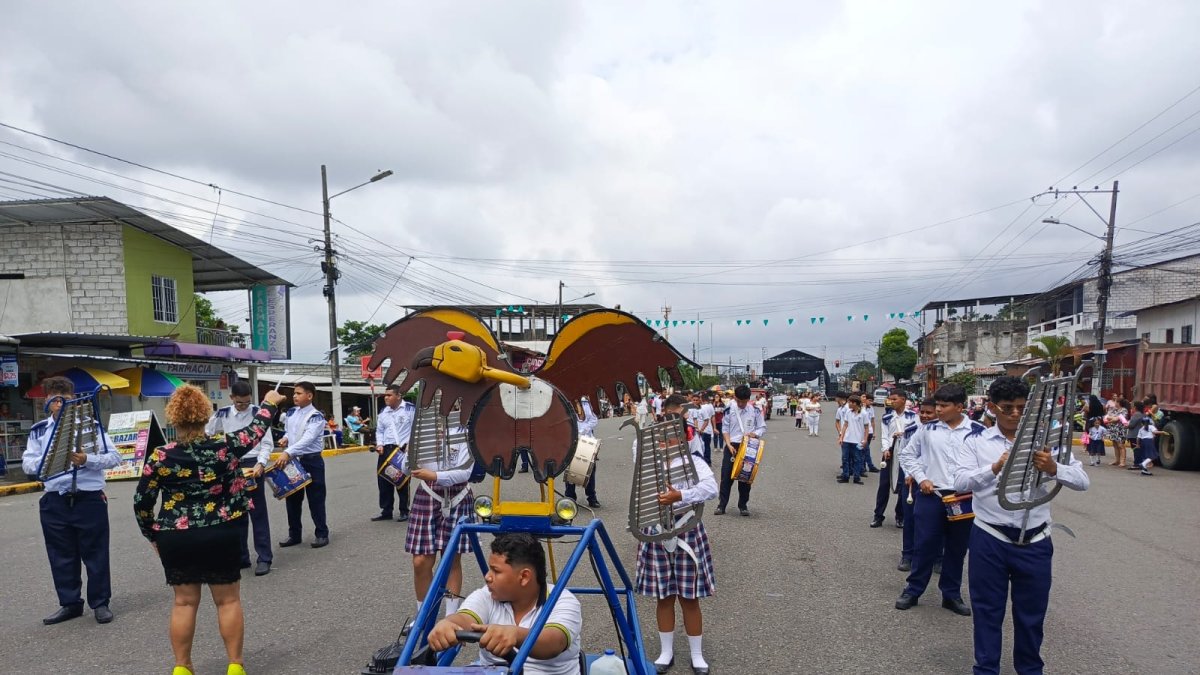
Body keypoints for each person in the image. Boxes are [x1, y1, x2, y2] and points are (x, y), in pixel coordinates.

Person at [135, 385, 284, 675]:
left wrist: (152, 534)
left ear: (173, 418)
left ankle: (182, 667)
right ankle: (235, 666)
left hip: (176, 535)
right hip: (222, 530)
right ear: (206, 416)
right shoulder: (225, 446)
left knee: (184, 603)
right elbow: (256, 429)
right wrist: (268, 402)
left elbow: (142, 502)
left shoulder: (160, 456)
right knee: (227, 600)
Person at [951, 376, 1089, 675]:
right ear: (991, 408)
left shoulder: (1048, 441)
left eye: (1021, 408)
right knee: (988, 612)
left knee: (1031, 615)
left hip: (1035, 540)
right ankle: (986, 669)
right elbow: (959, 482)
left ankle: (1029, 669)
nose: (1015, 414)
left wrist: (1055, 468)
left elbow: (1082, 481)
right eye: (1007, 408)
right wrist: (994, 468)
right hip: (990, 537)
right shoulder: (976, 441)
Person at [21, 376, 122, 625]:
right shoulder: (39, 431)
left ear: (73, 399)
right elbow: (28, 463)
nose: (59, 404)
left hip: (88, 498)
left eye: (64, 399)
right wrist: (51, 460)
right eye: (54, 399)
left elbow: (114, 457)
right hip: (55, 499)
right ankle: (70, 603)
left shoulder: (90, 427)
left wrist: (87, 460)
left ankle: (100, 603)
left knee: (95, 553)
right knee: (61, 554)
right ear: (46, 401)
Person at [634, 394, 717, 675]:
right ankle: (665, 651)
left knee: (690, 597)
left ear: (682, 438)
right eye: (662, 438)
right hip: (656, 531)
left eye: (671, 438)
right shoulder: (648, 462)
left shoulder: (695, 461)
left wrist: (681, 495)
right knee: (663, 596)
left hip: (686, 529)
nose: (665, 443)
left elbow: (711, 488)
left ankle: (697, 654)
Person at [427, 533, 581, 674]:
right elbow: (464, 618)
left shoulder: (562, 601)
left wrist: (515, 634)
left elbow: (554, 643)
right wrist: (448, 624)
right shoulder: (487, 595)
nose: (487, 577)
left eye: (496, 571)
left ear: (524, 577)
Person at [895, 383, 982, 617]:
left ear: (960, 407)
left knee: (957, 547)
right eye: (938, 405)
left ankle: (951, 594)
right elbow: (907, 454)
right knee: (925, 544)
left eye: (944, 406)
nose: (939, 410)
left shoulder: (977, 431)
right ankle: (913, 590)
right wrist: (921, 477)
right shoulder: (928, 430)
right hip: (931, 495)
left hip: (963, 497)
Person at [403, 417, 475, 620]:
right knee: (420, 561)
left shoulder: (465, 431)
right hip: (427, 494)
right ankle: (423, 618)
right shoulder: (421, 429)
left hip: (457, 495)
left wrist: (435, 476)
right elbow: (405, 468)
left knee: (451, 559)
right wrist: (409, 457)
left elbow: (465, 472)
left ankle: (451, 617)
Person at [205, 381, 274, 577]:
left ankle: (264, 558)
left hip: (253, 465)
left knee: (257, 512)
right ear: (232, 398)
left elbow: (267, 442)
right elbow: (207, 432)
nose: (243, 406)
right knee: (235, 513)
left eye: (246, 402)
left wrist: (261, 463)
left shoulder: (259, 413)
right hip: (232, 466)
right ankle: (241, 556)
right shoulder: (223, 414)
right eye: (240, 403)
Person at [274, 382, 330, 548]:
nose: (294, 396)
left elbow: (308, 439)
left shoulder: (316, 416)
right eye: (294, 393)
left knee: (316, 498)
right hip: (294, 460)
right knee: (292, 499)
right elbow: (290, 431)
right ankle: (294, 534)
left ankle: (321, 533)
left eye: (298, 393)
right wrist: (285, 438)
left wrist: (288, 451)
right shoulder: (291, 412)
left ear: (310, 395)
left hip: (311, 460)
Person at [898, 398, 938, 571]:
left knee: (938, 522)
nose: (925, 416)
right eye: (922, 412)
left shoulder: (942, 433)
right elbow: (903, 454)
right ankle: (908, 555)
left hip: (935, 484)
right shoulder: (911, 430)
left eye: (929, 413)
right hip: (912, 483)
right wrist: (909, 474)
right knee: (910, 520)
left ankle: (938, 557)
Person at [716, 384, 766, 516]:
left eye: (743, 402)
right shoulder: (729, 409)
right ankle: (721, 505)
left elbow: (762, 427)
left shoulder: (755, 410)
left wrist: (754, 434)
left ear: (748, 399)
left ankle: (743, 505)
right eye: (738, 401)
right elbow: (725, 429)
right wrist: (728, 444)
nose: (740, 404)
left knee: (745, 478)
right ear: (734, 397)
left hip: (748, 446)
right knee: (726, 477)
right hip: (732, 445)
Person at [873, 390, 918, 528]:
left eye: (894, 399)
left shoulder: (913, 417)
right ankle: (878, 515)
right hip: (891, 452)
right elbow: (885, 435)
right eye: (890, 399)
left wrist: (903, 433)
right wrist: (886, 449)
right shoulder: (887, 417)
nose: (891, 401)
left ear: (903, 400)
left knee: (904, 485)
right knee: (884, 485)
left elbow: (917, 432)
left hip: (906, 454)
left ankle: (900, 515)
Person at [372, 385, 414, 522]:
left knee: (401, 480)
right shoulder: (384, 412)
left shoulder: (409, 409)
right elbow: (380, 431)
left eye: (389, 395)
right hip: (386, 449)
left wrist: (410, 444)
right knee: (384, 480)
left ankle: (404, 510)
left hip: (402, 449)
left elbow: (416, 428)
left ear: (398, 396)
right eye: (385, 395)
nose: (386, 397)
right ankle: (386, 510)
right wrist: (379, 444)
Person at [564, 397, 601, 508]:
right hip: (573, 441)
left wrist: (582, 430)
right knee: (571, 469)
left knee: (590, 469)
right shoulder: (567, 401)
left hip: (587, 440)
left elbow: (594, 420)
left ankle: (592, 497)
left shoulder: (586, 402)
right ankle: (570, 497)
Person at [836, 395, 870, 485]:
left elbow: (866, 427)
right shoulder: (848, 412)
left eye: (850, 402)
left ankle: (856, 477)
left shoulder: (864, 413)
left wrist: (865, 439)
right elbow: (845, 425)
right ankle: (845, 476)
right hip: (847, 439)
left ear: (855, 403)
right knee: (845, 458)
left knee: (857, 459)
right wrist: (841, 437)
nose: (849, 404)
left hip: (858, 440)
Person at [1134, 410, 1165, 476]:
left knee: (1145, 455)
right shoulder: (1151, 427)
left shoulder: (1141, 429)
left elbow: (1138, 438)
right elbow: (1155, 432)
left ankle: (1144, 470)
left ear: (1142, 423)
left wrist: (1138, 444)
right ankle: (1143, 464)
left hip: (1143, 442)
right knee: (1153, 455)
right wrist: (1162, 432)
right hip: (1149, 441)